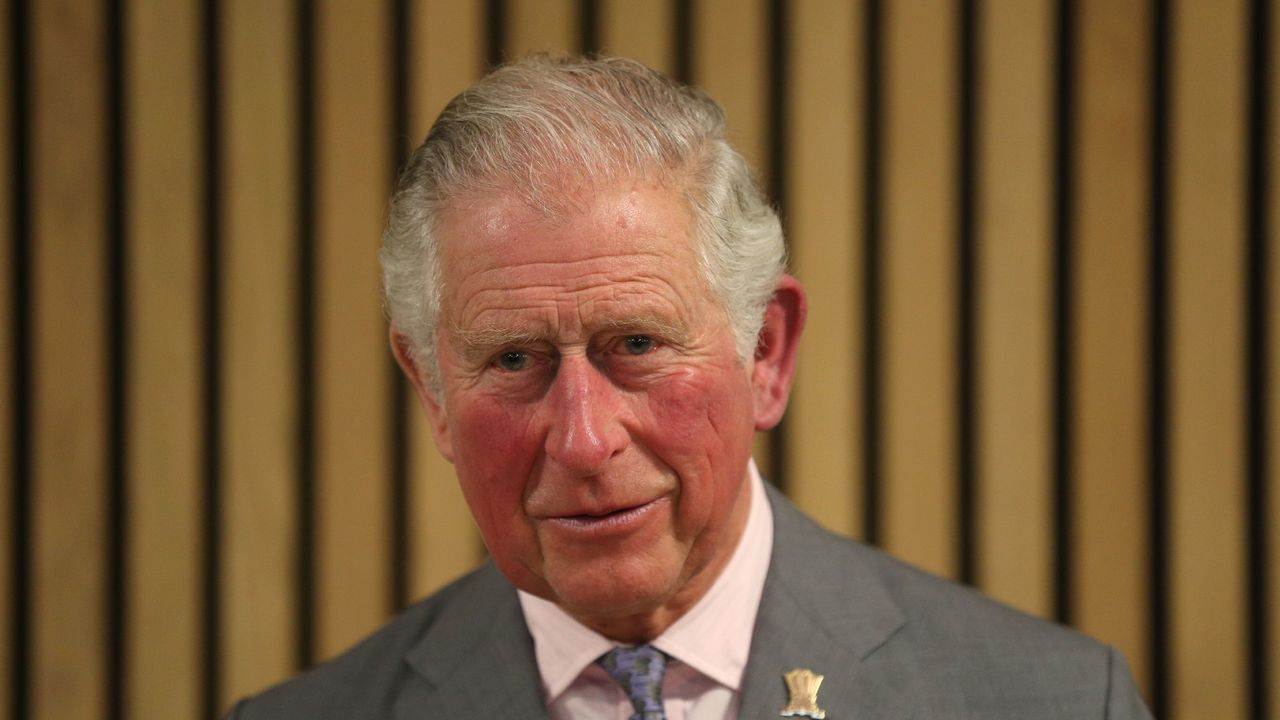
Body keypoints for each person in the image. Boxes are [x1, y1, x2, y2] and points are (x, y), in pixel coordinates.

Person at [227, 55, 1152, 719]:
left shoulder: (1056, 701)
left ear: (766, 354)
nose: (585, 441)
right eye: (514, 361)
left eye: (635, 343)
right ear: (431, 391)